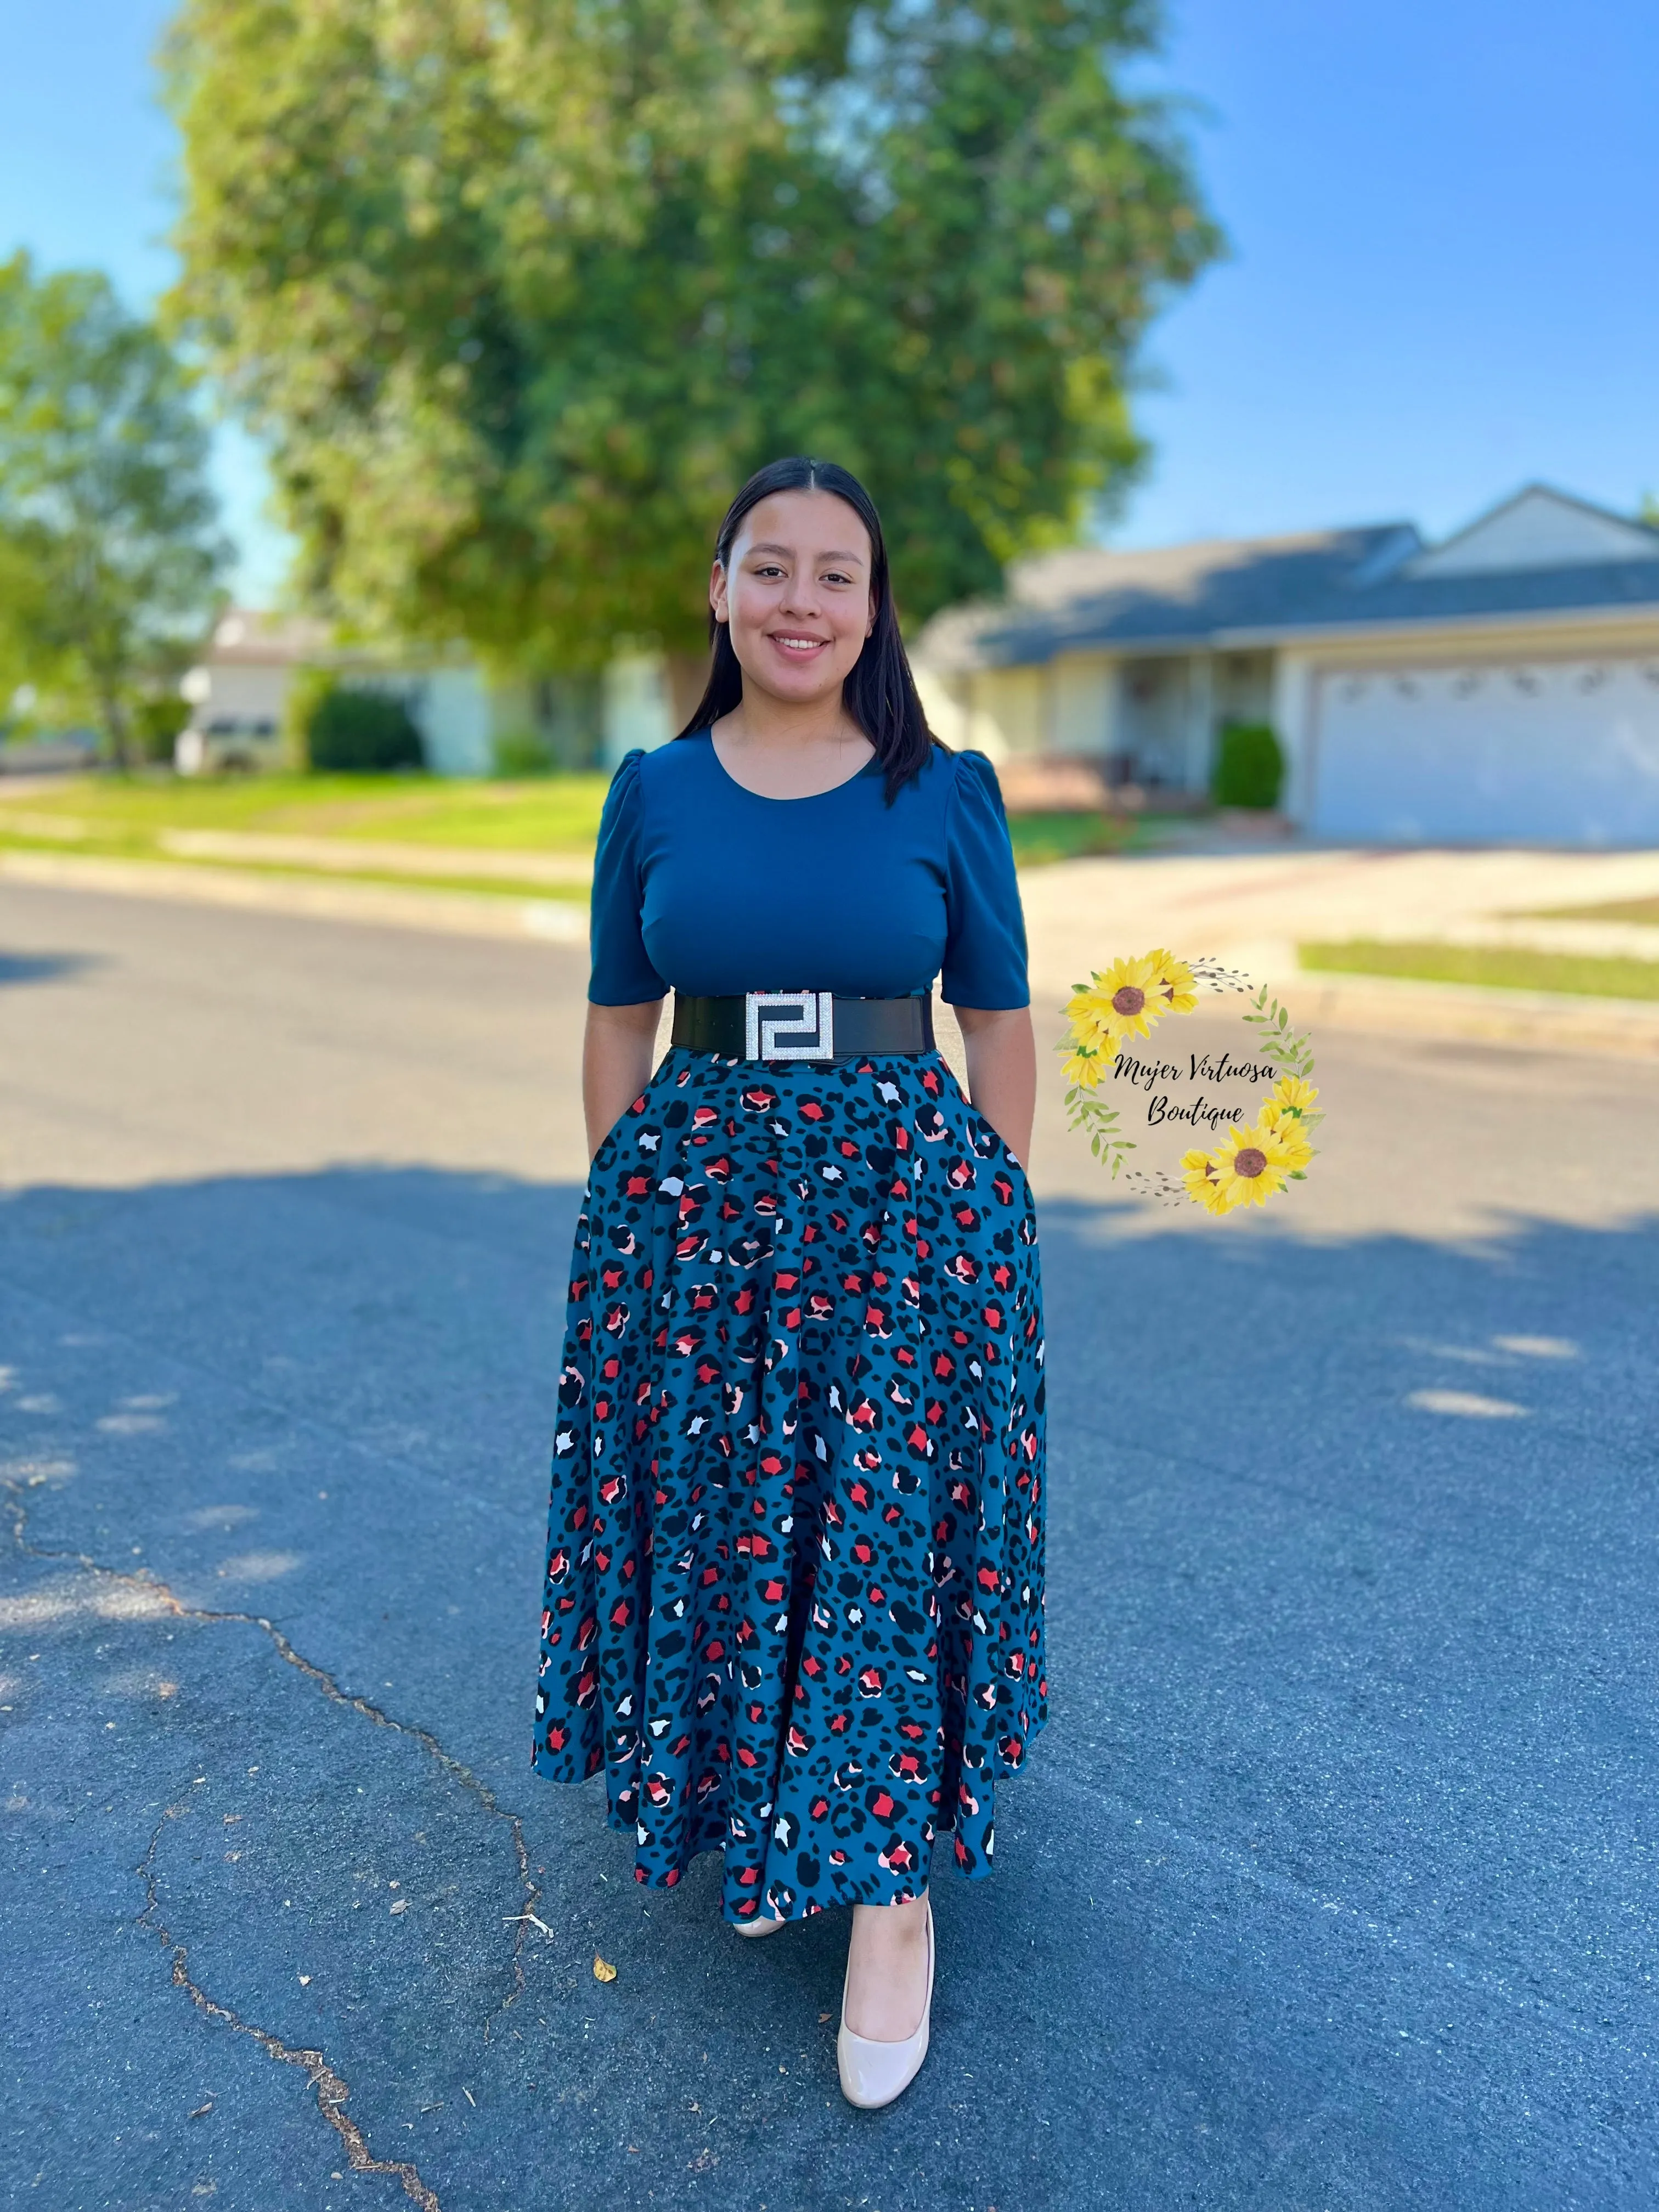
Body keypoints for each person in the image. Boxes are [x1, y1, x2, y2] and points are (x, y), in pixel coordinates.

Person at [531, 455, 1047, 2109]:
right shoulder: (651, 790)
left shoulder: (947, 789)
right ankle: (753, 1801)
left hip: (904, 1213)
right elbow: (621, 1013)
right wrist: (633, 1200)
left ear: (875, 606)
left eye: (838, 574)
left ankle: (891, 1903)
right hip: (700, 1228)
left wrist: (988, 1210)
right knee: (738, 1521)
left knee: (878, 1536)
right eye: (772, 568)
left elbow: (1002, 1024)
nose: (802, 601)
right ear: (720, 589)